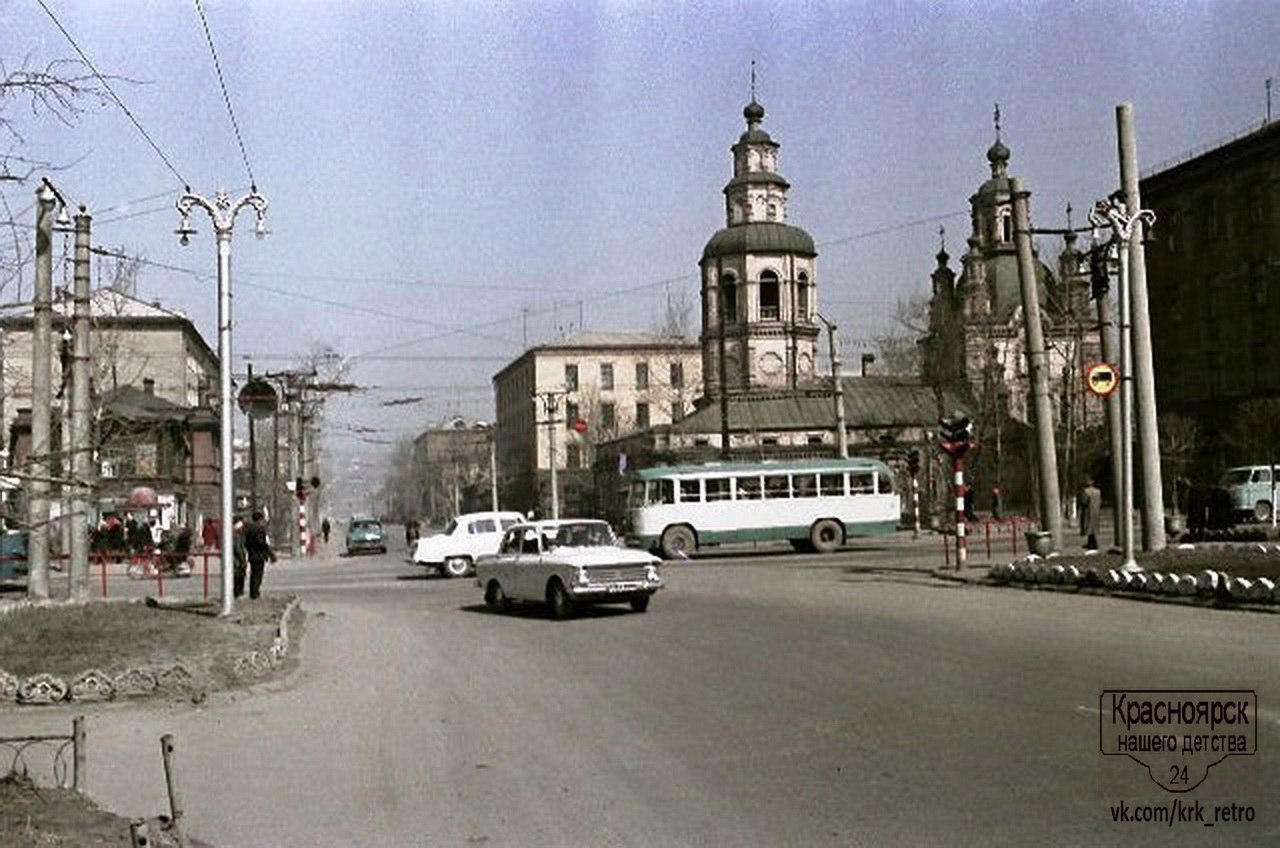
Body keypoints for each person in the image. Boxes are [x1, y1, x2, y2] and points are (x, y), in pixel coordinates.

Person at [243, 510, 276, 600]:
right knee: (258, 575)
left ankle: (253, 592)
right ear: (260, 519)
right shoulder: (259, 529)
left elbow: (246, 543)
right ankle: (255, 593)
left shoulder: (248, 530)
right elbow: (262, 543)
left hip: (251, 554)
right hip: (259, 555)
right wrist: (271, 554)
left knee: (253, 574)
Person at [1078, 478, 1102, 551]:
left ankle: (1092, 544)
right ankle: (1091, 543)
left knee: (1088, 527)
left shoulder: (1085, 492)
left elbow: (1084, 501)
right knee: (1093, 528)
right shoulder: (1098, 491)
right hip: (1096, 511)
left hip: (1088, 511)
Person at [232, 519, 248, 598]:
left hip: (236, 559)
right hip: (237, 560)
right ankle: (238, 592)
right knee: (239, 576)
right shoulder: (236, 536)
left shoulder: (233, 535)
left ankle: (238, 592)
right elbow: (238, 549)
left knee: (238, 576)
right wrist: (242, 560)